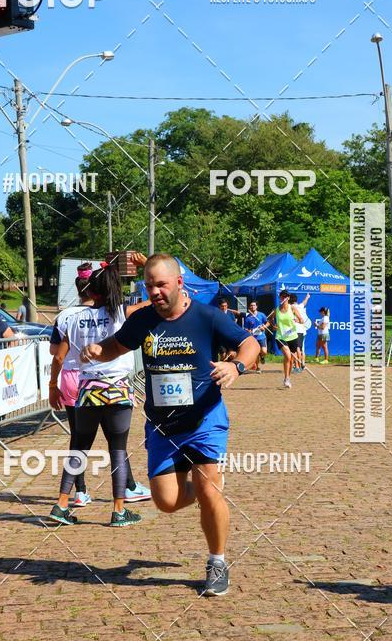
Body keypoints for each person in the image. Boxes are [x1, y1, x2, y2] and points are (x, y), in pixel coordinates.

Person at [80, 252, 260, 596]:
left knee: (208, 489)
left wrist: (235, 366)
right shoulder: (143, 319)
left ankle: (217, 562)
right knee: (165, 501)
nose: (155, 292)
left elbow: (249, 344)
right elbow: (116, 345)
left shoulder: (207, 317)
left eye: (161, 284)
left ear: (179, 283)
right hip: (163, 426)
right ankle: (208, 493)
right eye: (149, 286)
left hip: (205, 419)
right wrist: (96, 351)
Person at [48, 255, 151, 527]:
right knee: (118, 449)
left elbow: (58, 356)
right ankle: (118, 511)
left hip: (86, 389)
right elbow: (156, 300)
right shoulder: (121, 313)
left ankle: (61, 505)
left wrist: (52, 385)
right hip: (117, 388)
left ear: (89, 290)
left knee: (79, 448)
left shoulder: (73, 318)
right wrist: (145, 267)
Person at [266, 290, 304, 389]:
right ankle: (286, 378)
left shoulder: (293, 308)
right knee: (287, 356)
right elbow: (269, 318)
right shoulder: (276, 309)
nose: (283, 298)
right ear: (280, 298)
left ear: (288, 298)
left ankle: (287, 378)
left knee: (291, 359)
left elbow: (301, 320)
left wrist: (297, 320)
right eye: (282, 296)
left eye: (285, 296)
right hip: (280, 336)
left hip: (292, 336)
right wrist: (273, 325)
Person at [244, 300, 268, 372]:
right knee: (256, 353)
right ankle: (258, 367)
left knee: (264, 351)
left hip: (261, 336)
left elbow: (268, 323)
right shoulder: (248, 317)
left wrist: (264, 327)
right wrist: (249, 331)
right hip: (253, 338)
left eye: (254, 305)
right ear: (249, 307)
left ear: (256, 306)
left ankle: (262, 356)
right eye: (251, 305)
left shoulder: (261, 315)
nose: (252, 307)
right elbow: (246, 328)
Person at [289, 293, 310, 373]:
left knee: (296, 349)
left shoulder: (291, 307)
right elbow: (304, 302)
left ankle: (297, 366)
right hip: (301, 330)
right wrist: (307, 297)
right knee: (300, 349)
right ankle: (300, 364)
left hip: (295, 330)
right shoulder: (300, 306)